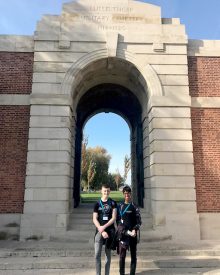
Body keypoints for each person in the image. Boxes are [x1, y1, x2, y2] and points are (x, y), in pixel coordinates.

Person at [93, 183, 117, 275]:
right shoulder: (97, 204)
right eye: (104, 191)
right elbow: (94, 219)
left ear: (109, 191)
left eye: (107, 190)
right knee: (97, 255)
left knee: (108, 256)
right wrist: (101, 230)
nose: (106, 192)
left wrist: (104, 227)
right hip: (100, 231)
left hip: (110, 231)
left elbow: (113, 218)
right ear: (101, 191)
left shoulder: (113, 203)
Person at [117, 185, 142, 275]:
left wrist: (135, 230)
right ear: (123, 194)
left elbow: (139, 221)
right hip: (123, 235)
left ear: (131, 194)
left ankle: (132, 273)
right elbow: (118, 221)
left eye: (128, 193)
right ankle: (122, 273)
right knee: (122, 257)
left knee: (133, 256)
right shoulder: (120, 206)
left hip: (133, 235)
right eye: (125, 193)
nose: (127, 195)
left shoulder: (134, 206)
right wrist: (126, 232)